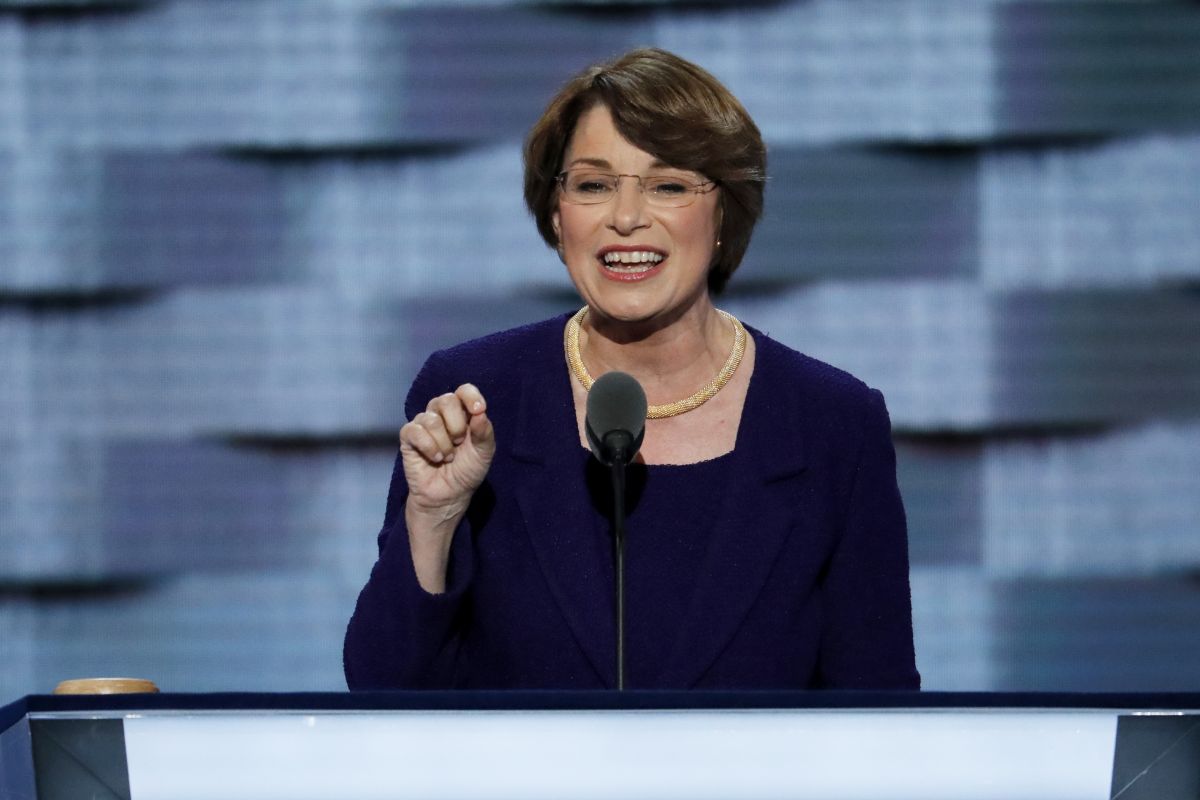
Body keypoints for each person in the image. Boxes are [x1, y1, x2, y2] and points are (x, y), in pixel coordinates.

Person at [344, 48, 920, 690]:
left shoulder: (833, 423)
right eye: (593, 185)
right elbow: (381, 691)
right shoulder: (476, 397)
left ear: (723, 213)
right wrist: (434, 519)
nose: (625, 218)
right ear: (558, 218)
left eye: (669, 184)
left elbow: (880, 711)